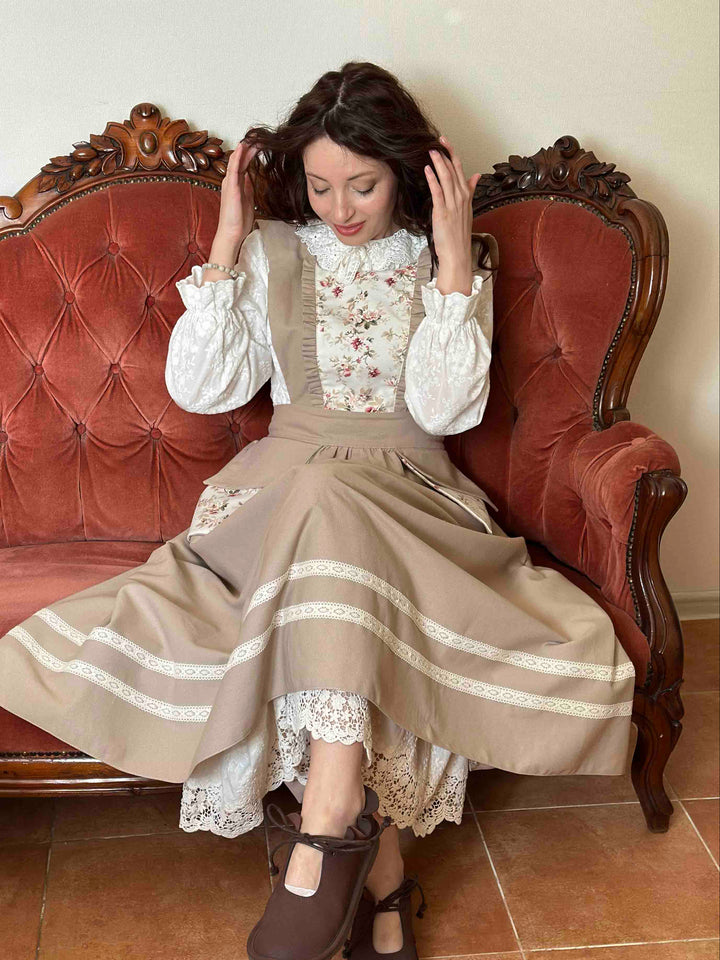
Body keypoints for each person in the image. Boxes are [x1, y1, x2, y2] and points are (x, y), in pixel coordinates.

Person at [0, 61, 636, 960]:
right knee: (323, 499)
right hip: (283, 495)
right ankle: (373, 866)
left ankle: (331, 825)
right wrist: (227, 243)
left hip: (408, 496)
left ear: (406, 174)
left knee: (342, 520)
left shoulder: (449, 261)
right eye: (321, 185)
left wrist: (454, 263)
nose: (341, 207)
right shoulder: (274, 253)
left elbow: (448, 411)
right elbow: (202, 389)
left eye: (363, 185)